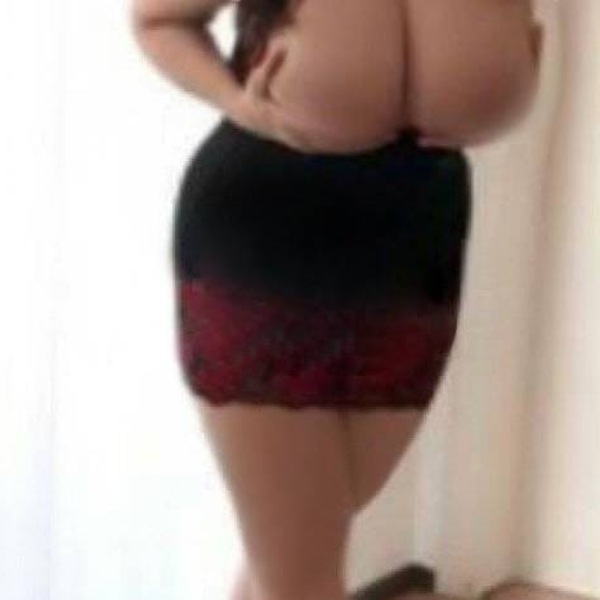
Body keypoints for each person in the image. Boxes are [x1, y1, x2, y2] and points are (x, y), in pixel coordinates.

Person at [130, 2, 544, 600]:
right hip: (263, 246)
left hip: (411, 258)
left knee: (296, 549)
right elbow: (157, 20)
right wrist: (238, 103)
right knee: (303, 575)